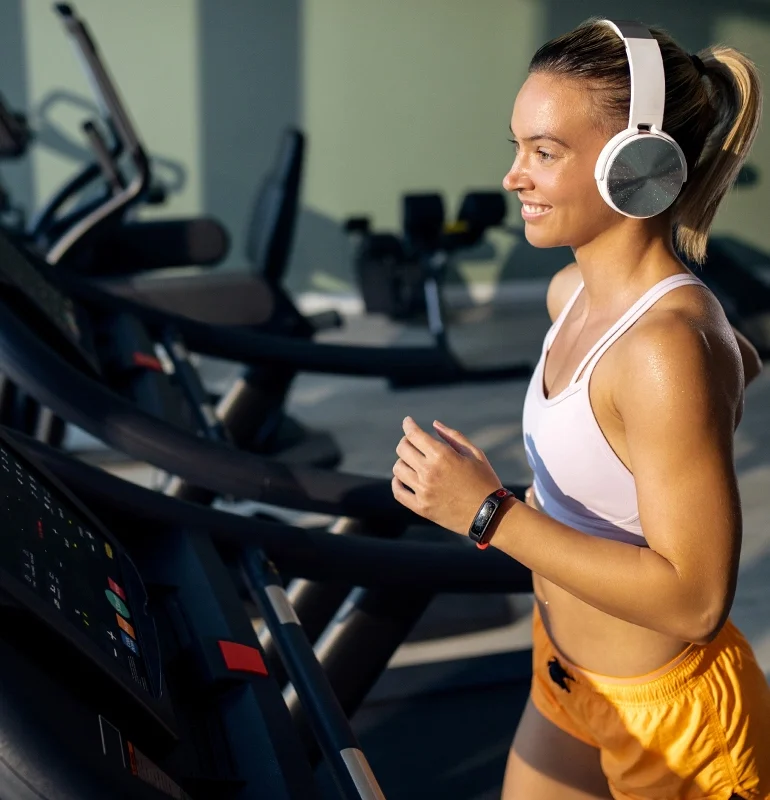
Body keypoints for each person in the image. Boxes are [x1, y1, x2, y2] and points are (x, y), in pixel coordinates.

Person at [391, 17, 770, 800]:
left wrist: (488, 513)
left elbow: (697, 602)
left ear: (638, 166)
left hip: (672, 725)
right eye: (518, 148)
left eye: (545, 152)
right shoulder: (572, 297)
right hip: (565, 675)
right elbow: (735, 355)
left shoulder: (664, 349)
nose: (513, 177)